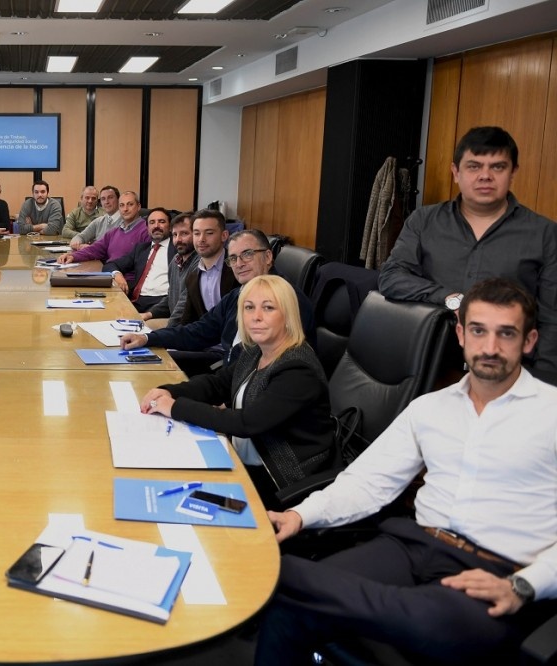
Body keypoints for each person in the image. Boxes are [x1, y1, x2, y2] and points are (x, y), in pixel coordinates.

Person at [257, 277, 557, 665]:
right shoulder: (429, 409)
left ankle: (276, 575)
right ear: (461, 335)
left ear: (529, 341)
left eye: (507, 334)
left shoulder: (550, 413)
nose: (490, 347)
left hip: (498, 572)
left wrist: (524, 585)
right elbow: (368, 481)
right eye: (479, 331)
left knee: (426, 621)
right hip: (412, 548)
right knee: (289, 614)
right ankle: (289, 579)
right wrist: (300, 515)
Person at [379, 126, 557, 385]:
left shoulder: (546, 234)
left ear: (513, 173)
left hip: (505, 374)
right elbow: (391, 277)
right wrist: (450, 298)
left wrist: (545, 386)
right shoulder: (423, 221)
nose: (485, 176)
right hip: (428, 367)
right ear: (456, 172)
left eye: (497, 167)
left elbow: (552, 317)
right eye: (474, 166)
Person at [141, 274, 333, 502]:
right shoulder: (255, 350)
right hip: (244, 457)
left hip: (281, 480)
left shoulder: (297, 370)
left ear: (288, 315)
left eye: (268, 308)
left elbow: (245, 422)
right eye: (249, 307)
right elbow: (218, 383)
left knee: (175, 492)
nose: (256, 317)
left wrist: (174, 407)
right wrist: (170, 391)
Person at [121, 229, 315, 376]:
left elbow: (272, 369)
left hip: (249, 385)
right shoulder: (239, 293)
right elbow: (200, 331)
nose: (239, 264)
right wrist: (148, 339)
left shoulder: (289, 300)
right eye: (233, 258)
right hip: (229, 375)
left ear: (268, 257)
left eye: (247, 254)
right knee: (146, 363)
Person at [57, 191, 148, 278]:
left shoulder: (146, 231)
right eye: (122, 205)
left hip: (127, 281)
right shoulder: (114, 232)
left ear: (138, 206)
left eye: (130, 204)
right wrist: (72, 256)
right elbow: (94, 249)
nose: (125, 209)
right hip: (111, 275)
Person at [172, 208, 238, 325]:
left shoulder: (238, 267)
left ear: (224, 236)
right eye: (197, 233)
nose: (201, 239)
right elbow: (187, 321)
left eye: (209, 233)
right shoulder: (193, 277)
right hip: (205, 335)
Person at [104, 207, 174, 312]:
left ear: (170, 227)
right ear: (147, 228)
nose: (156, 226)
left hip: (161, 303)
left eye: (161, 222)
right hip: (136, 301)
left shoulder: (178, 250)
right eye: (152, 222)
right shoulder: (141, 249)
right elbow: (110, 265)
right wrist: (117, 274)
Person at [141, 211, 199, 326]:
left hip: (187, 327)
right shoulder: (176, 260)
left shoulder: (199, 263)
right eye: (175, 235)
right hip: (175, 323)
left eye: (184, 233)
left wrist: (167, 332)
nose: (178, 240)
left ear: (196, 234)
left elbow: (184, 305)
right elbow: (171, 298)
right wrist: (148, 314)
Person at [69, 185, 122, 250]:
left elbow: (116, 248)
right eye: (103, 199)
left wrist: (91, 248)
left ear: (119, 200)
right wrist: (77, 244)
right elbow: (79, 237)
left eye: (110, 197)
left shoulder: (126, 222)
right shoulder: (98, 221)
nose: (106, 202)